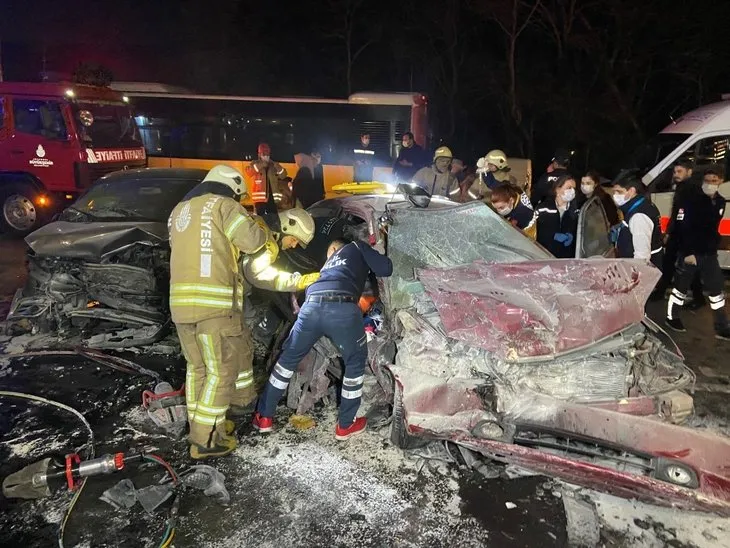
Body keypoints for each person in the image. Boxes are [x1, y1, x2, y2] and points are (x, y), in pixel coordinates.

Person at [168, 165, 280, 459]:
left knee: (198, 369)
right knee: (221, 371)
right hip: (214, 306)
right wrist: (262, 225)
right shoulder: (224, 206)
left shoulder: (180, 211)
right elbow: (253, 241)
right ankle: (205, 442)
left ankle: (202, 427)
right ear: (231, 187)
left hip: (181, 306)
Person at [253, 238, 394, 439]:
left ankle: (264, 417)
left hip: (310, 308)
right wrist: (375, 251)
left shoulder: (326, 268)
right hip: (342, 308)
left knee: (286, 361)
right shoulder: (355, 247)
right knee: (354, 362)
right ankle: (345, 425)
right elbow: (386, 268)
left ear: (334, 249)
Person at [666, 168, 730, 340]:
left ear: (720, 181)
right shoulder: (691, 201)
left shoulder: (720, 202)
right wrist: (688, 252)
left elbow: (712, 228)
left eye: (714, 180)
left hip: (709, 254)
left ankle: (722, 326)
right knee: (680, 289)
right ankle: (672, 317)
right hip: (690, 253)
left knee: (716, 290)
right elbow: (683, 228)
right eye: (707, 180)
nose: (710, 184)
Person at [653, 160, 704, 305]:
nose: (676, 175)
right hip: (678, 233)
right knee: (670, 263)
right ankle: (661, 291)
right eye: (675, 172)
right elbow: (676, 213)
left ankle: (698, 298)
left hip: (685, 234)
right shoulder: (683, 188)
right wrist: (670, 232)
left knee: (685, 266)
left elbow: (686, 214)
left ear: (689, 172)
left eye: (679, 171)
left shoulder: (692, 189)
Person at [242, 207, 320, 293]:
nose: (294, 246)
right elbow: (258, 275)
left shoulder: (259, 225)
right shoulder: (266, 243)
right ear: (285, 228)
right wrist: (298, 281)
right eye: (294, 239)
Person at [611, 175, 664, 268]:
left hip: (641, 272)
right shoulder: (642, 204)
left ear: (631, 191)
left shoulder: (639, 216)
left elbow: (642, 256)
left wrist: (635, 279)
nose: (615, 196)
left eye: (619, 192)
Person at [246, 143, 289, 229]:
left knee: (274, 219)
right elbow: (249, 172)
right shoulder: (255, 163)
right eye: (264, 155)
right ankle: (261, 233)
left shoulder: (273, 165)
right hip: (260, 199)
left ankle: (274, 232)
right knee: (260, 219)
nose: (266, 157)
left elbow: (283, 175)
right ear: (259, 155)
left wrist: (278, 167)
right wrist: (261, 164)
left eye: (268, 155)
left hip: (272, 198)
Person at [535, 174, 579, 258]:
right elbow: (535, 230)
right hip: (544, 255)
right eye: (569, 188)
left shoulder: (575, 210)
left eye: (574, 188)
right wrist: (552, 236)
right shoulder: (543, 208)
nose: (572, 191)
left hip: (565, 258)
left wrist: (572, 236)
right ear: (558, 189)